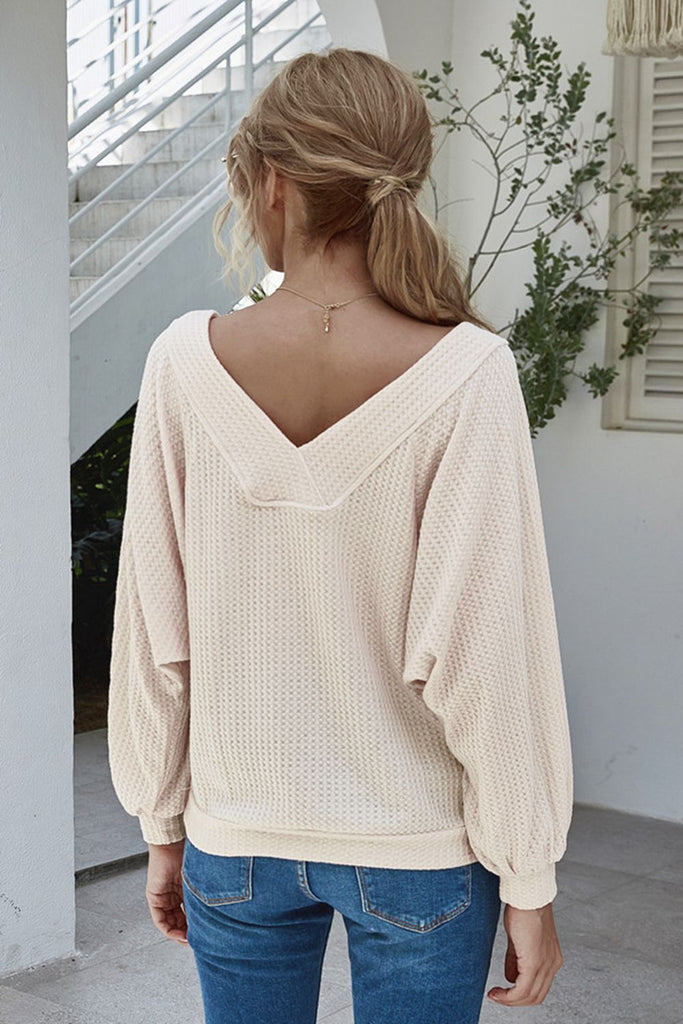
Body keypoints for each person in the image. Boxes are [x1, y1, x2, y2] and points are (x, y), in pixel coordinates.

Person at [108, 47, 573, 1024]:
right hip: (417, 851)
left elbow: (153, 633)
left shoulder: (182, 363)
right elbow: (487, 657)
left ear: (271, 179)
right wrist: (526, 875)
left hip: (234, 840)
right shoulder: (468, 369)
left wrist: (162, 822)